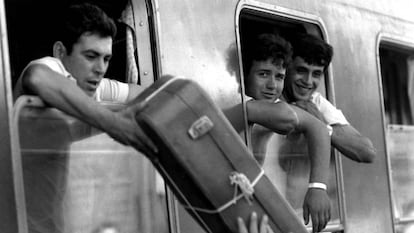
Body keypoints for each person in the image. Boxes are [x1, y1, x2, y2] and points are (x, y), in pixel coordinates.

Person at [234, 33, 332, 233]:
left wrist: (317, 187)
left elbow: (319, 128)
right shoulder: (251, 105)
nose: (272, 85)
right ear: (243, 75)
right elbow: (289, 118)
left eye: (279, 77)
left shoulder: (272, 106)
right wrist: (247, 111)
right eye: (263, 74)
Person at [283, 33, 376, 163]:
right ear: (286, 67)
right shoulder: (269, 94)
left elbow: (367, 152)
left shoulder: (315, 102)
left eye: (316, 74)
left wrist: (322, 126)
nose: (308, 81)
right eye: (301, 71)